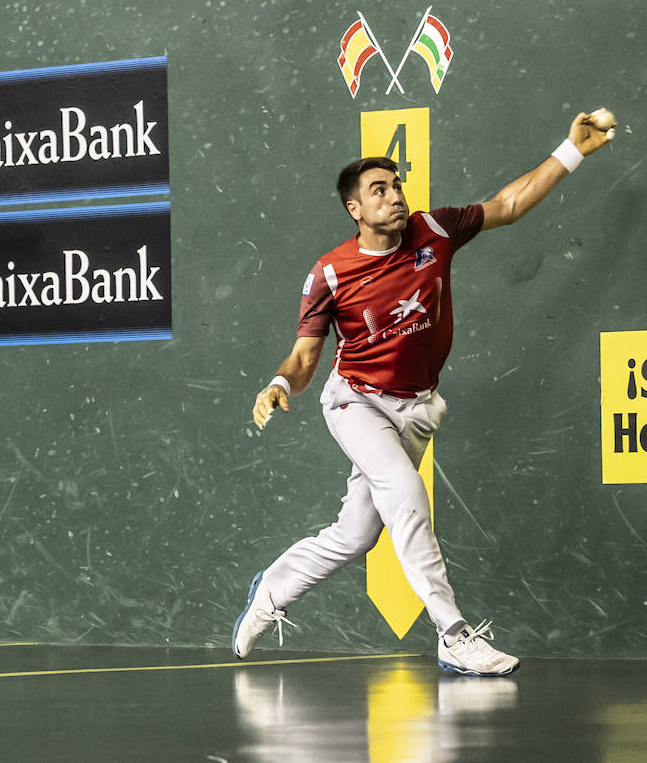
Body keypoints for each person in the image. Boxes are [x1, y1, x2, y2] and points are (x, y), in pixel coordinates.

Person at [232, 113, 615, 676]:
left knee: (355, 534)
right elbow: (306, 356)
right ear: (354, 209)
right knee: (405, 489)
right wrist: (278, 383)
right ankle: (453, 632)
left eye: (396, 185)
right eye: (378, 190)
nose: (394, 196)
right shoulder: (330, 275)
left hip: (417, 408)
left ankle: (272, 589)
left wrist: (572, 149)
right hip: (355, 401)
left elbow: (508, 205)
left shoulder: (434, 231)